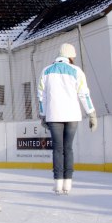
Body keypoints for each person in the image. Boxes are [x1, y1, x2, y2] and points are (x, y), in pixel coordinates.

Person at [37, 43, 97, 195]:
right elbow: (84, 94)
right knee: (68, 148)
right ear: (71, 56)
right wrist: (91, 113)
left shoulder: (46, 71)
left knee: (58, 149)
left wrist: (43, 114)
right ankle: (68, 183)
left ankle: (58, 183)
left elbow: (41, 96)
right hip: (72, 115)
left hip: (54, 115)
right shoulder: (77, 71)